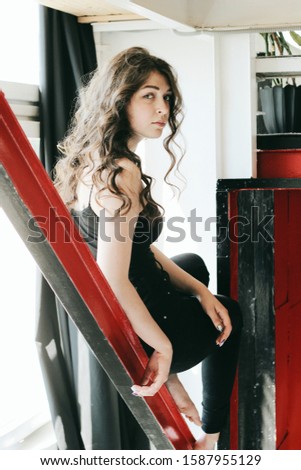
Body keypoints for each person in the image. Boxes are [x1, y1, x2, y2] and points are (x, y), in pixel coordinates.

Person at [54, 47, 242, 450]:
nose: (163, 108)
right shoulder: (121, 172)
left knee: (193, 267)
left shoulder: (94, 158)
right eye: (149, 95)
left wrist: (201, 292)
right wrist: (163, 348)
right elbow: (114, 277)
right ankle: (211, 435)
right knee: (235, 314)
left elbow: (137, 248)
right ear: (120, 101)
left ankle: (182, 370)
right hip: (128, 313)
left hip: (117, 304)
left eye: (167, 97)